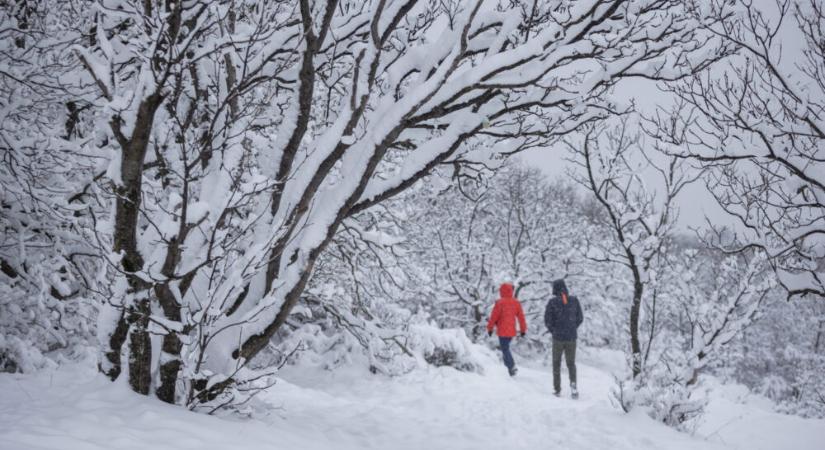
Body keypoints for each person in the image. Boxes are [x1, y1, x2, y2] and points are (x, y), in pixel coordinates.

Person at [544, 279, 584, 398]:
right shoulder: (574, 300)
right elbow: (580, 318)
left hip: (558, 338)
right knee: (571, 363)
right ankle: (573, 386)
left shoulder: (552, 302)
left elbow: (547, 320)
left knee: (556, 363)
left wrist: (554, 330)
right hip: (571, 337)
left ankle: (557, 389)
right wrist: (572, 327)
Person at [486, 282, 527, 376]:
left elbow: (494, 316)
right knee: (505, 348)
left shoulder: (500, 303)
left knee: (505, 349)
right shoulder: (516, 302)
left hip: (502, 330)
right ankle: (509, 369)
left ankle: (511, 366)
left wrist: (490, 328)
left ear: (502, 291)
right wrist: (523, 330)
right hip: (511, 330)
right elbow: (521, 317)